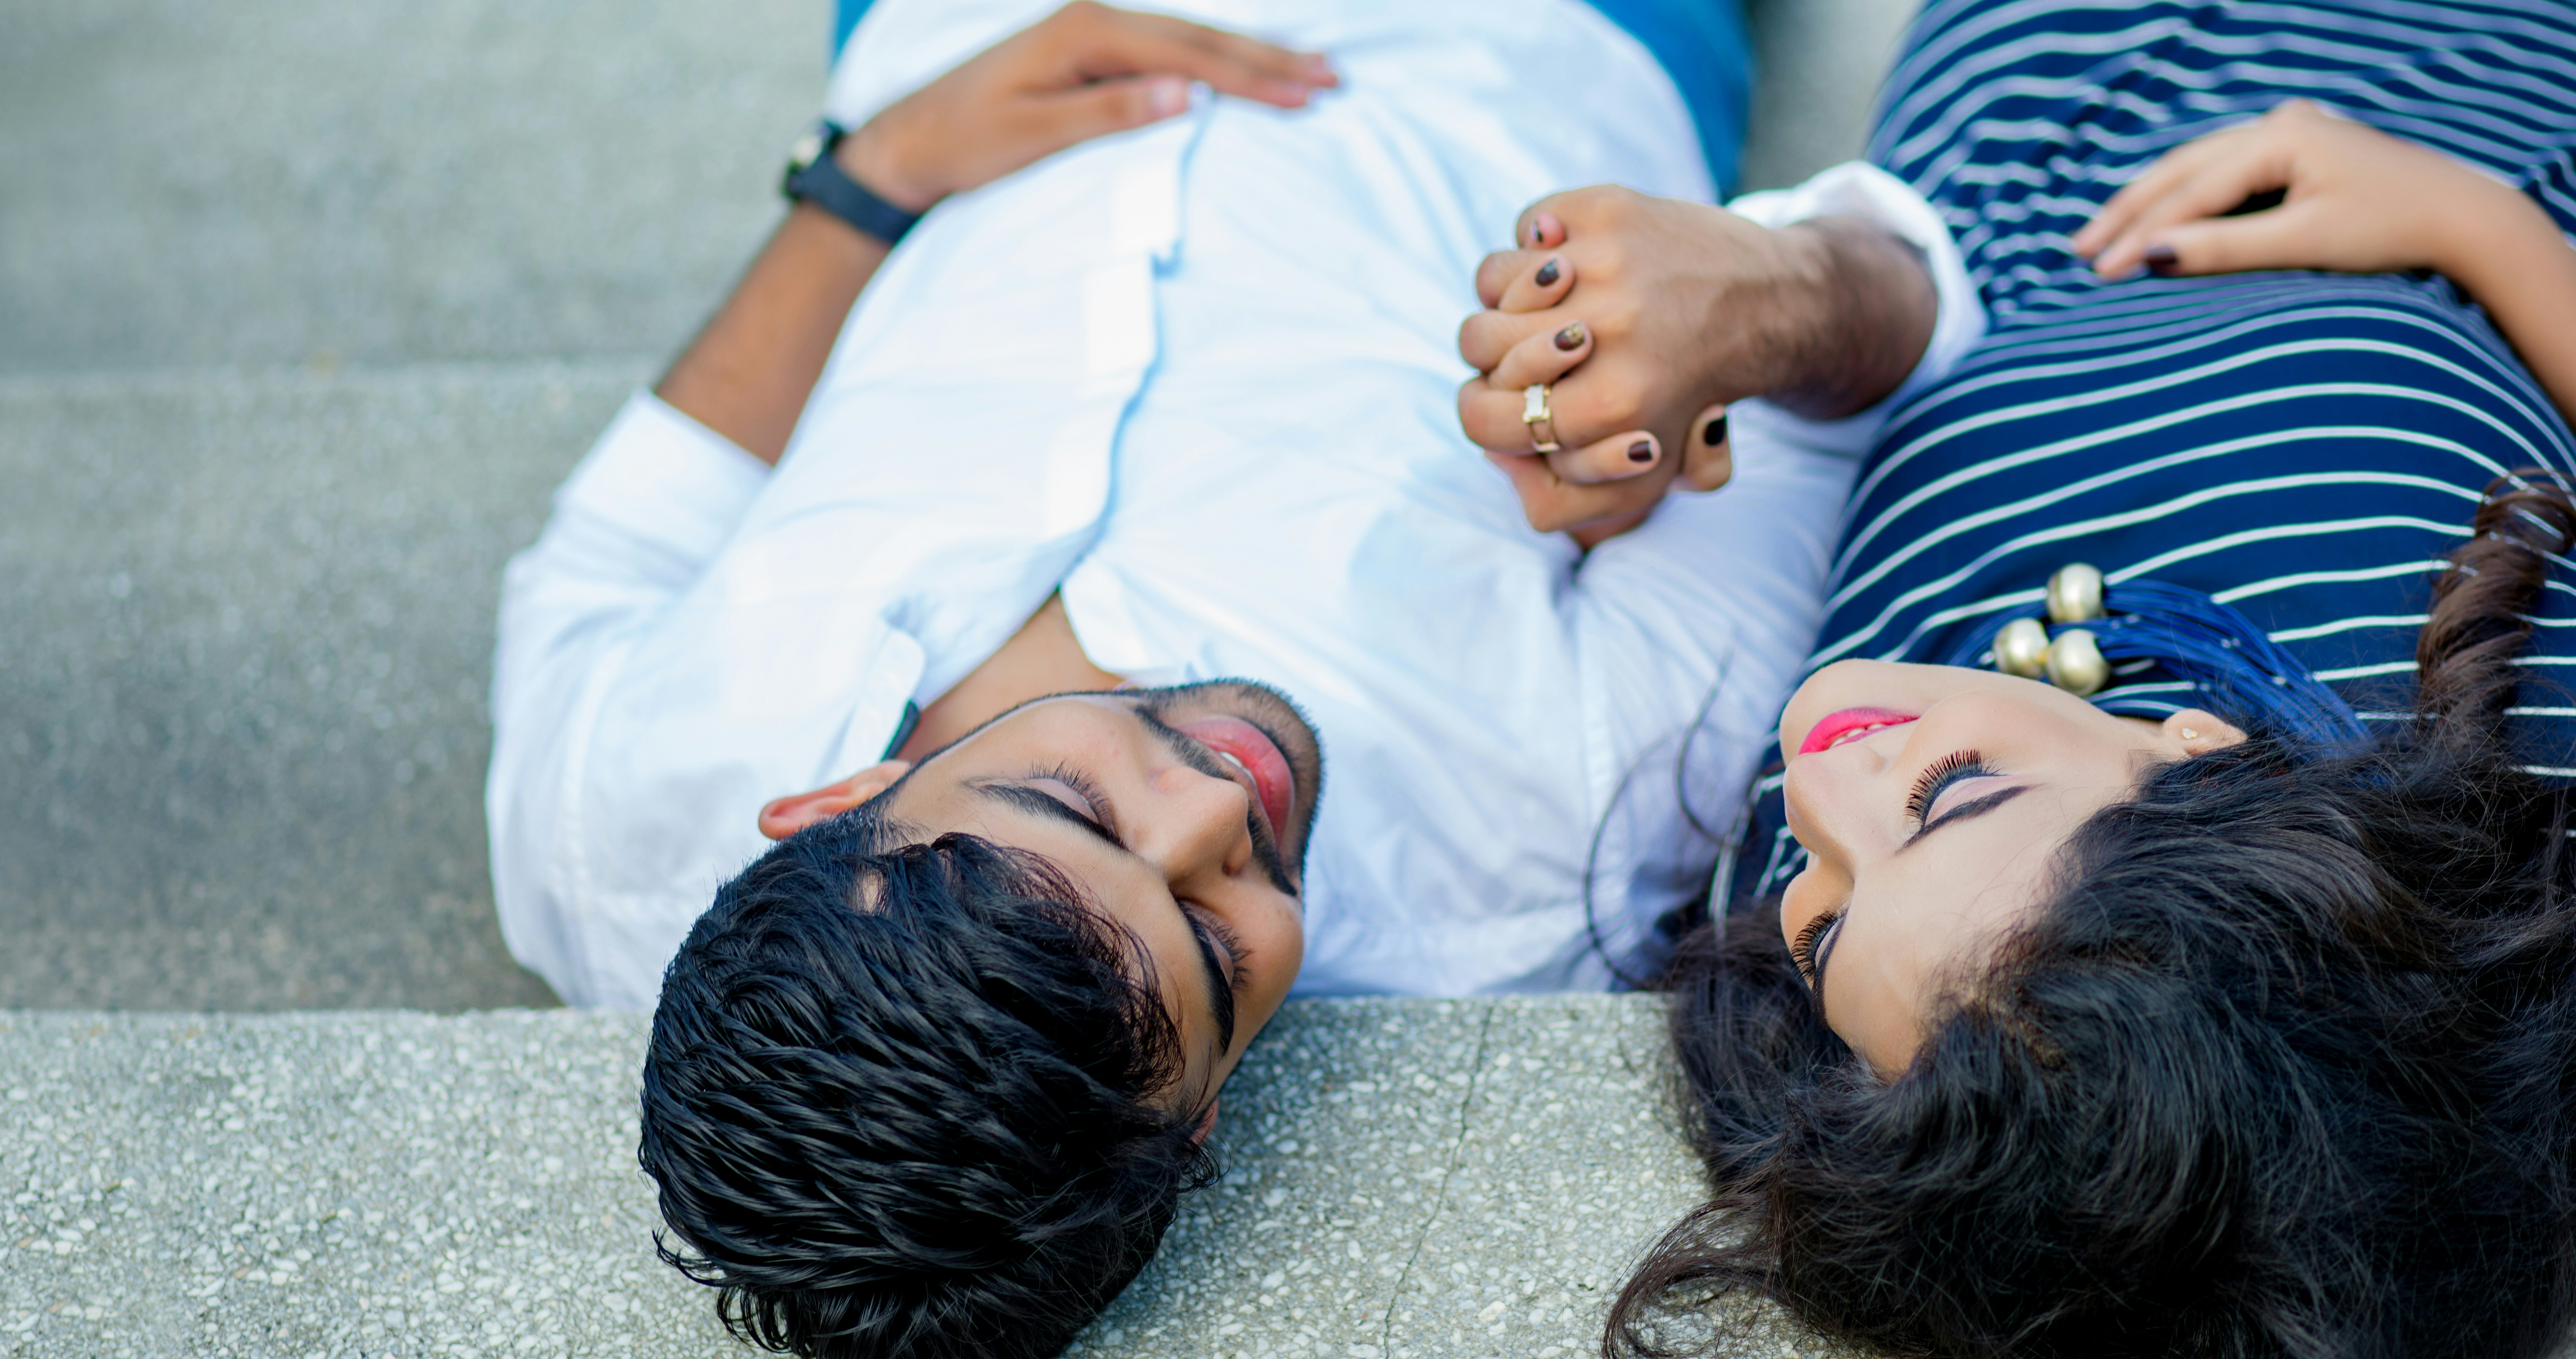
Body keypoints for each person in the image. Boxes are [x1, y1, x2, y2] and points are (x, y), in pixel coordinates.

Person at [483, 2, 1987, 1356]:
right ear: (1199, 1119)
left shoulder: (599, 836)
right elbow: (1886, 330)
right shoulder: (1546, 849)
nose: (1216, 810)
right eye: (1211, 950)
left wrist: (869, 180)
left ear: (840, 801)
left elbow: (612, 551)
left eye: (1072, 807)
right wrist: (1753, 308)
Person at [1449, 0, 2576, 1354]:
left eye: (1826, 929)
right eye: (1949, 795)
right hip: (2443, 78)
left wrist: (1667, 395)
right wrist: (2478, 226)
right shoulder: (2520, 808)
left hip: (2012, 89)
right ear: (2201, 756)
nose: (1817, 790)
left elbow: (1792, 425)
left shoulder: (1836, 995)